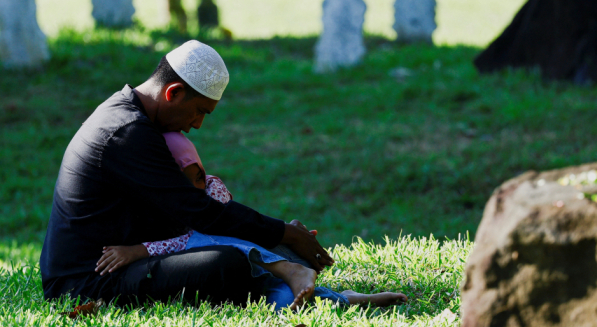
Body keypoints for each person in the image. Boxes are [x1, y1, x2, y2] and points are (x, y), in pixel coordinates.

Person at [39, 40, 333, 307]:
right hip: (85, 282)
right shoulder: (126, 132)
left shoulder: (131, 116)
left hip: (127, 261)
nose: (198, 124)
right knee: (227, 263)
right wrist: (284, 233)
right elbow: (198, 211)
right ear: (174, 92)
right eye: (200, 111)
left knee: (234, 249)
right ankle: (289, 278)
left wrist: (279, 234)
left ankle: (294, 274)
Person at [94, 132, 408, 309]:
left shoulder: (211, 192)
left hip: (252, 256)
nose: (191, 191)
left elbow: (227, 230)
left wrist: (140, 250)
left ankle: (296, 269)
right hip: (238, 273)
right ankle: (346, 299)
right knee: (285, 300)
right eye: (181, 182)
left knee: (202, 236)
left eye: (197, 178)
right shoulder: (163, 204)